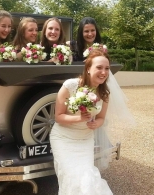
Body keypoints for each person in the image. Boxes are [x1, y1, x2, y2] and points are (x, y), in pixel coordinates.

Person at [50, 49, 113, 195]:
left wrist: (97, 123)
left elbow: (101, 117)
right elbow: (58, 117)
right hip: (63, 138)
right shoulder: (70, 85)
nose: (103, 72)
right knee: (71, 177)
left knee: (87, 177)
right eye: (99, 67)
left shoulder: (104, 94)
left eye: (107, 68)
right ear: (88, 69)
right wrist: (79, 118)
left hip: (85, 140)